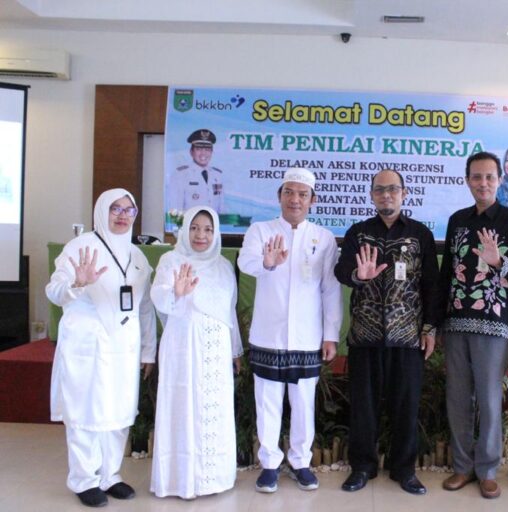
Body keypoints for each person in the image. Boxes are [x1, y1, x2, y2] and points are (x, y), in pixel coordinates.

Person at [46, 188, 157, 508]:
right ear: (101, 211)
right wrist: (77, 283)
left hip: (124, 348)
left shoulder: (137, 256)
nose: (122, 216)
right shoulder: (80, 247)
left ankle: (110, 475)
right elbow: (54, 291)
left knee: (119, 412)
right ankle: (84, 480)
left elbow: (145, 307)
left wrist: (148, 351)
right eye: (115, 209)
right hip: (88, 345)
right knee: (85, 412)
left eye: (128, 210)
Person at [334, 169, 440, 495]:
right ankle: (362, 467)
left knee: (406, 406)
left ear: (404, 193)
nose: (386, 195)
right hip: (365, 336)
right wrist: (358, 275)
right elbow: (341, 270)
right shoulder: (358, 232)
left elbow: (432, 286)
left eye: (393, 189)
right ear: (371, 195)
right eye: (380, 190)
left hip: (408, 338)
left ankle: (404, 469)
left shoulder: (420, 234)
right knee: (363, 407)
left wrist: (429, 328)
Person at [238, 168, 343, 493]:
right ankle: (269, 464)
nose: (295, 199)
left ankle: (300, 462)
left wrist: (330, 334)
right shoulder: (260, 231)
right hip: (268, 334)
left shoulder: (323, 237)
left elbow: (330, 288)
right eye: (289, 192)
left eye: (302, 194)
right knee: (267, 402)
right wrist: (268, 263)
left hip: (307, 336)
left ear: (312, 200)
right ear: (279, 196)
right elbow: (245, 263)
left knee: (303, 403)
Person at [438, 151, 508, 499]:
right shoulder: (457, 221)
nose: (483, 183)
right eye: (476, 177)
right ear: (467, 181)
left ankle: (488, 470)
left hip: (494, 325)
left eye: (489, 177)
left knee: (491, 401)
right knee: (458, 398)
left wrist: (499, 261)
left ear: (499, 180)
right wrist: (437, 323)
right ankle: (462, 467)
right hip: (456, 323)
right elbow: (446, 274)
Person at [149, 206, 243, 499]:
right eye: (194, 228)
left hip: (216, 351)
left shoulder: (223, 266)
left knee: (213, 408)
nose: (201, 235)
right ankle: (180, 480)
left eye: (208, 229)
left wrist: (235, 351)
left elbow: (229, 311)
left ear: (216, 233)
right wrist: (176, 293)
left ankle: (214, 478)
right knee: (182, 406)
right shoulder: (170, 260)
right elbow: (158, 298)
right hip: (182, 347)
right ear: (185, 229)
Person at [168, 129, 224, 213]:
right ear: (191, 152)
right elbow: (175, 210)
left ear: (212, 152)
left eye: (207, 149)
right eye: (199, 149)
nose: (203, 153)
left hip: (213, 221)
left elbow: (221, 208)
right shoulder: (180, 175)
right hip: (190, 221)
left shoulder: (217, 175)